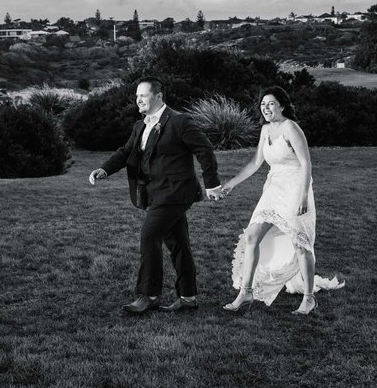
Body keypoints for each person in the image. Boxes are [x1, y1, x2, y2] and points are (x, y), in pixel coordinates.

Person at [89, 77, 224, 315]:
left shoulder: (180, 121)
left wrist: (212, 184)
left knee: (149, 236)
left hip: (177, 192)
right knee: (178, 243)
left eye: (143, 95)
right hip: (156, 192)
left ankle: (149, 295)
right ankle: (188, 297)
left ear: (159, 96)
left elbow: (204, 149)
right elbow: (126, 151)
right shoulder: (140, 126)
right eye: (137, 96)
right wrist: (105, 169)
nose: (138, 100)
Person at [220, 86, 343, 315]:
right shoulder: (265, 130)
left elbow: (306, 163)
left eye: (271, 103)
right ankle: (246, 292)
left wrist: (304, 195)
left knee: (300, 243)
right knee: (251, 236)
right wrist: (230, 184)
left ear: (282, 106)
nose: (266, 108)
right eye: (263, 104)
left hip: (296, 187)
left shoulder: (291, 128)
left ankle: (309, 298)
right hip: (273, 188)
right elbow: (256, 163)